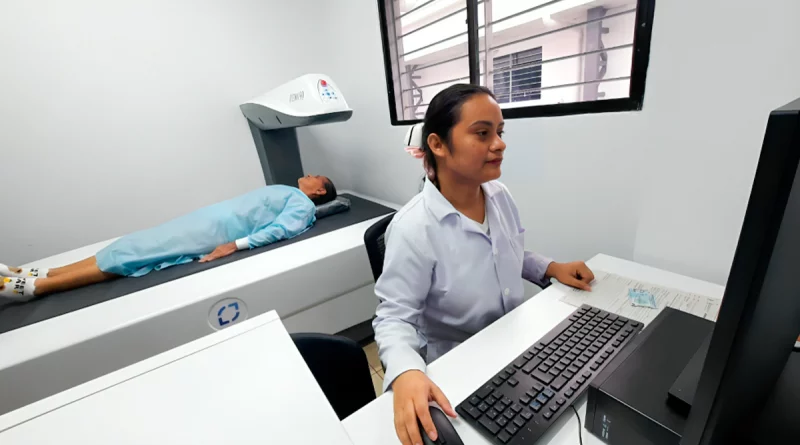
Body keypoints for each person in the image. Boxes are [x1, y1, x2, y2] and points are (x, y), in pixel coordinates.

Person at [373, 84, 595, 445]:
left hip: (516, 346)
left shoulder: (499, 195)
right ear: (438, 145)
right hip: (461, 366)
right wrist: (407, 372)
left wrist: (550, 267)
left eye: (500, 132)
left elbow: (506, 251)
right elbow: (394, 317)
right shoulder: (414, 228)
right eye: (482, 133)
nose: (499, 143)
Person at [0, 175, 337, 301]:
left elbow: (279, 231)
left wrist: (233, 245)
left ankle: (36, 289)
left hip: (215, 233)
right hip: (203, 221)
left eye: (314, 177)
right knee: (129, 243)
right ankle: (43, 273)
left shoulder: (302, 204)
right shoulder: (290, 192)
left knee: (134, 254)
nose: (307, 175)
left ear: (319, 191)